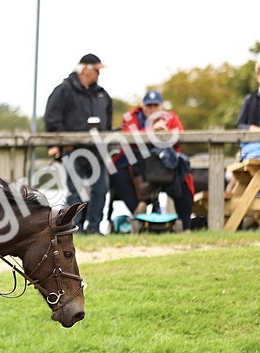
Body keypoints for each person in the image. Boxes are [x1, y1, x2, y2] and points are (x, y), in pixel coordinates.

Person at [44, 54, 114, 234]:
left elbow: (108, 123)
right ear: (85, 69)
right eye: (96, 70)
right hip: (72, 150)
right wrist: (61, 143)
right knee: (75, 192)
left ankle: (93, 228)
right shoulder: (63, 90)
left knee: (100, 189)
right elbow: (52, 119)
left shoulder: (102, 94)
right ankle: (75, 228)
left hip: (97, 151)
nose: (99, 74)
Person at [109, 90, 195, 230]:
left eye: (156, 106)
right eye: (149, 106)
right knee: (115, 173)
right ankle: (138, 212)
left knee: (183, 177)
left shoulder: (170, 117)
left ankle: (185, 226)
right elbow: (127, 138)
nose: (152, 109)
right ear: (143, 106)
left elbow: (180, 138)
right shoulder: (131, 117)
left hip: (164, 165)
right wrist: (151, 131)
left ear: (161, 107)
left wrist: (165, 132)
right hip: (136, 163)